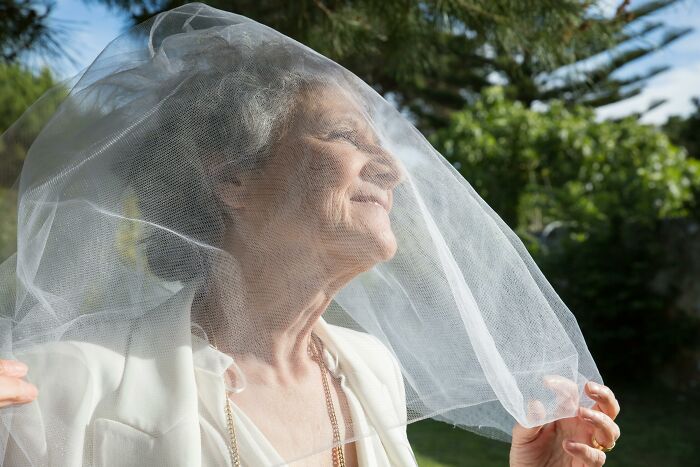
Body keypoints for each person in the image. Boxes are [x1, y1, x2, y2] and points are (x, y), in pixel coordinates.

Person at [0, 3, 619, 466]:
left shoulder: (372, 370)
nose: (394, 170)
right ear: (232, 174)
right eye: (347, 137)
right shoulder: (61, 385)